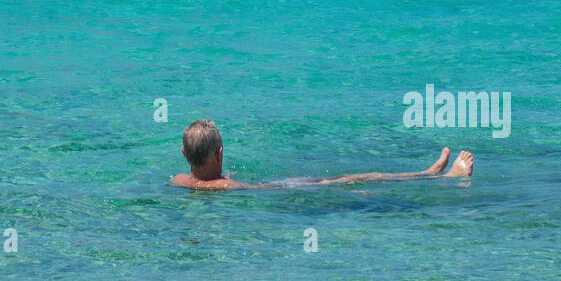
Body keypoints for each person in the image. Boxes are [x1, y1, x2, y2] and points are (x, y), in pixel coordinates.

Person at [170, 119, 473, 190]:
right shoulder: (227, 186)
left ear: (184, 153)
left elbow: (206, 181)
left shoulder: (180, 180)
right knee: (346, 179)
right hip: (285, 187)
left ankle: (430, 174)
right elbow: (253, 189)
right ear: (220, 153)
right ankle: (435, 175)